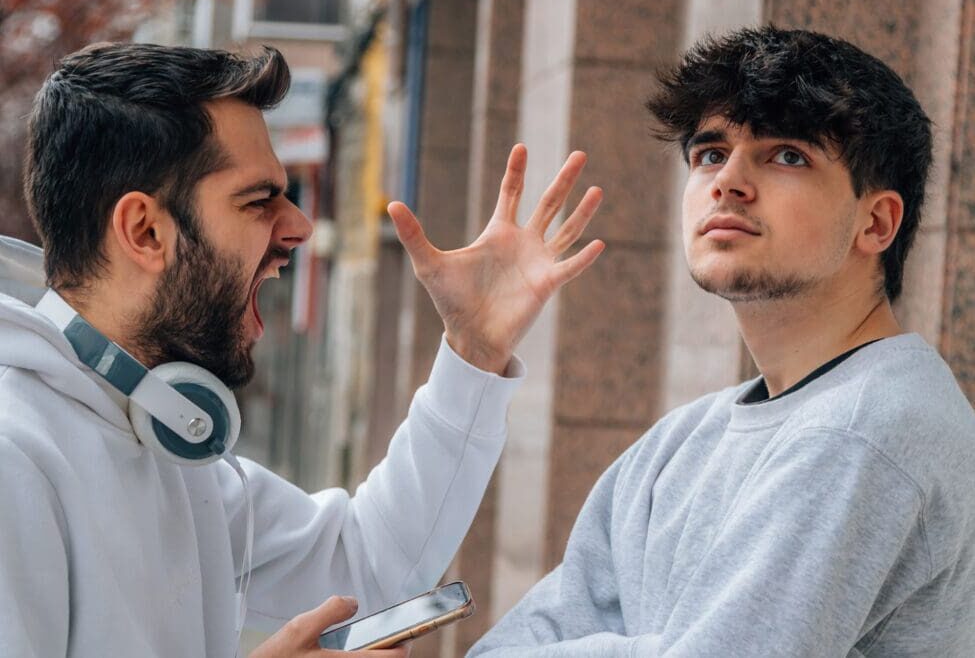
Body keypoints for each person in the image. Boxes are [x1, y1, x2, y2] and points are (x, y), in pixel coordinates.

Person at [0, 43, 606, 657]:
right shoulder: (15, 455)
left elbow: (364, 564)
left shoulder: (162, 439)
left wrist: (474, 349)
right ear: (145, 231)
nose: (299, 226)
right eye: (258, 200)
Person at [470, 26, 975, 657]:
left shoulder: (869, 430)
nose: (728, 182)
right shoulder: (678, 445)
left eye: (787, 155)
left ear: (875, 222)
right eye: (710, 154)